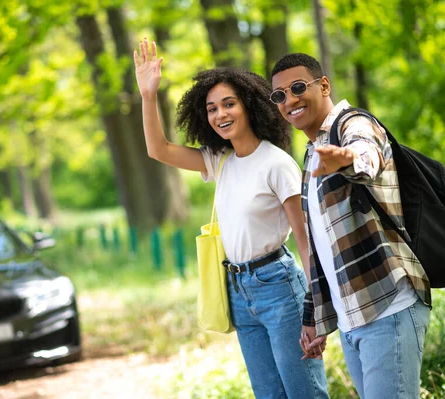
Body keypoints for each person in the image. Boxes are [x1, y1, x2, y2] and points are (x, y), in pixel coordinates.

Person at [134, 39, 329, 399]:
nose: (220, 114)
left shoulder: (277, 164)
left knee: (304, 392)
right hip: (238, 289)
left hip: (281, 289)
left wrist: (315, 307)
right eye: (211, 109)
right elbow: (157, 149)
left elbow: (305, 239)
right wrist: (148, 95)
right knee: (268, 394)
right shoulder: (219, 160)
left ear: (249, 105)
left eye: (229, 104)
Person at [270, 53, 432, 399]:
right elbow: (321, 247)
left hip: (389, 308)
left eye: (298, 87)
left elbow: (366, 157)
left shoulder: (353, 124)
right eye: (279, 95)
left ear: (324, 85)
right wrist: (314, 315)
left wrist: (349, 160)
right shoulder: (312, 153)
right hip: (352, 321)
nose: (290, 100)